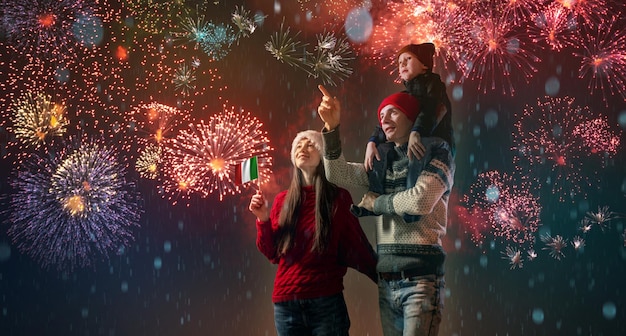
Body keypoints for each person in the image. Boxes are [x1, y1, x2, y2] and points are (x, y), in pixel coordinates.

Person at [317, 85, 455, 336]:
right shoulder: (381, 163)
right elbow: (337, 173)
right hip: (387, 282)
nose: (384, 119)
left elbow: (421, 201)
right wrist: (332, 128)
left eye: (393, 112)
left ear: (412, 117)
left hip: (421, 280)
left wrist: (376, 203)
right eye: (381, 115)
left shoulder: (439, 152)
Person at [248, 130, 378, 336]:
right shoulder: (283, 201)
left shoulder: (338, 198)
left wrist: (385, 277)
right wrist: (262, 219)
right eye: (298, 146)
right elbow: (272, 253)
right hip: (286, 304)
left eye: (310, 145)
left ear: (321, 154)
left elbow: (357, 246)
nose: (303, 149)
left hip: (325, 302)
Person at [364, 42, 454, 171]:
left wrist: (416, 131)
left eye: (408, 59)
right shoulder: (408, 95)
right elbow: (388, 120)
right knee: (385, 151)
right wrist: (373, 141)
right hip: (417, 147)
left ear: (424, 65)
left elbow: (430, 110)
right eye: (400, 62)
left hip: (437, 148)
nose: (402, 64)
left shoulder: (435, 87)